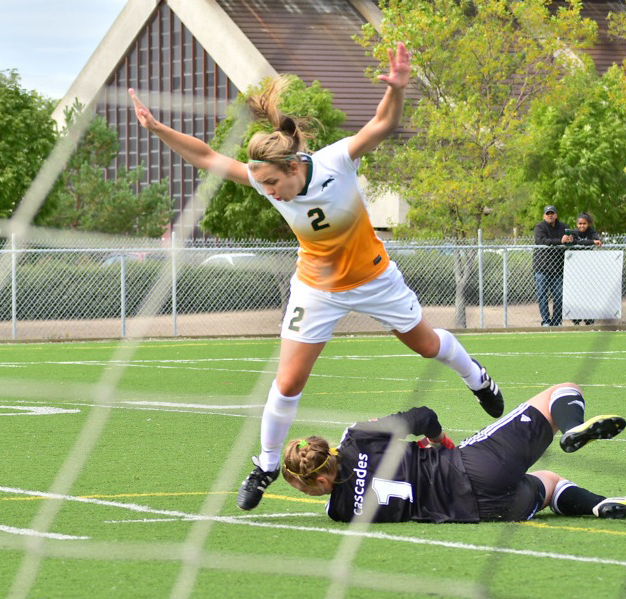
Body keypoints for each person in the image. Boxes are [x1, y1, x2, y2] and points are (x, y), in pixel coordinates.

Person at [129, 43, 504, 512]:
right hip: (316, 287)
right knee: (287, 383)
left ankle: (478, 378)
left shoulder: (334, 163)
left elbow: (383, 125)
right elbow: (206, 157)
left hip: (374, 279)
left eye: (271, 184)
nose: (266, 191)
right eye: (261, 183)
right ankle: (265, 465)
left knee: (428, 346)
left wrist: (398, 89)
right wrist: (156, 127)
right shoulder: (268, 177)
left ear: (293, 167)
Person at [282, 382, 626, 523]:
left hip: (481, 511)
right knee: (562, 391)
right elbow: (423, 416)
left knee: (548, 484)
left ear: (319, 480)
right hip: (471, 465)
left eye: (301, 488)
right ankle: (573, 425)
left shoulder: (338, 512)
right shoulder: (355, 438)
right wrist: (438, 441)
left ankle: (598, 506)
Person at [533, 206, 571, 327]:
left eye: (552, 213)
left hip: (558, 268)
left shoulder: (563, 227)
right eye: (547, 213)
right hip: (542, 267)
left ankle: (556, 321)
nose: (550, 215)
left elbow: (570, 238)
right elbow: (541, 241)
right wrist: (560, 241)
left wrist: (570, 239)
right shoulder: (540, 227)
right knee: (542, 295)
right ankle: (545, 321)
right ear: (544, 216)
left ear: (556, 215)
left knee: (559, 295)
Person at [570, 212, 602, 325]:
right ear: (577, 224)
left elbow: (596, 240)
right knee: (576, 294)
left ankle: (589, 320)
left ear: (588, 224)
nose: (582, 226)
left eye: (584, 223)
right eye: (580, 223)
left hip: (589, 268)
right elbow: (574, 242)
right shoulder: (573, 233)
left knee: (589, 294)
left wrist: (592, 242)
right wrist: (591, 242)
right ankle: (576, 320)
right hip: (576, 268)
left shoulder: (592, 232)